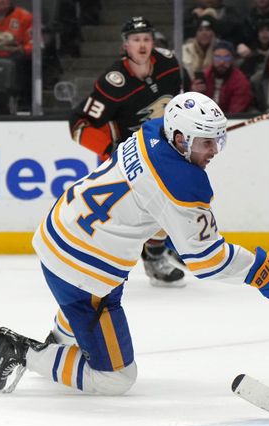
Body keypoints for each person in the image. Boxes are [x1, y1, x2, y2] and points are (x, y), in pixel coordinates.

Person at [0, 92, 269, 396]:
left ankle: (59, 341)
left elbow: (150, 204)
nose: (214, 151)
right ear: (180, 139)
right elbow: (207, 259)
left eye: (217, 140)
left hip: (59, 233)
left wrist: (175, 232)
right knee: (116, 378)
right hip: (83, 271)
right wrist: (263, 270)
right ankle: (20, 351)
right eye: (207, 142)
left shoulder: (151, 130)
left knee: (87, 311)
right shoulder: (182, 182)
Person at [69, 17, 190, 288]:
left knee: (175, 197)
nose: (142, 44)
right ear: (125, 45)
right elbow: (78, 124)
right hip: (129, 156)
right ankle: (154, 254)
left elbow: (181, 99)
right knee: (132, 213)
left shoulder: (169, 63)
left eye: (146, 38)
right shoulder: (114, 82)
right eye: (136, 40)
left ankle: (162, 249)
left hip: (164, 149)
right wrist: (112, 149)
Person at [203, 40, 253, 113]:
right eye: (218, 57)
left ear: (232, 60)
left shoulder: (240, 81)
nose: (222, 62)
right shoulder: (205, 76)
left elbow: (235, 111)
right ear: (212, 59)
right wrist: (194, 92)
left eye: (226, 58)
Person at [182, 13, 217, 81]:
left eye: (208, 30)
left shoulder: (218, 50)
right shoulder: (185, 50)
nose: (204, 33)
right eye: (200, 30)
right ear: (195, 33)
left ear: (213, 33)